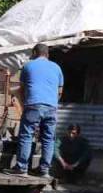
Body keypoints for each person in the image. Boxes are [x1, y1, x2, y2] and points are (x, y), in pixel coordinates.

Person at [4, 43, 64, 181]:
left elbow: (23, 89)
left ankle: (21, 168)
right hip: (51, 107)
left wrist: (26, 104)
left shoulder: (28, 66)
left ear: (34, 52)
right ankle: (44, 170)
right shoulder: (57, 68)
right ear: (47, 54)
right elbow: (59, 92)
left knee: (26, 135)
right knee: (48, 139)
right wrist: (51, 103)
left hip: (33, 105)